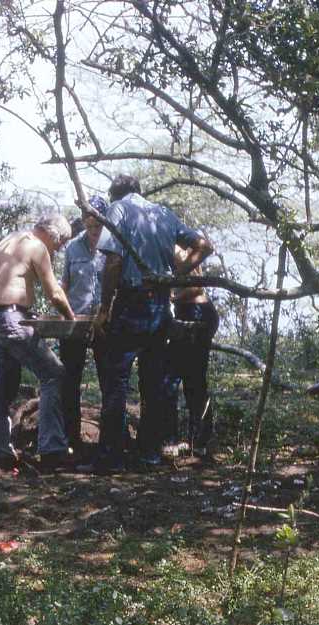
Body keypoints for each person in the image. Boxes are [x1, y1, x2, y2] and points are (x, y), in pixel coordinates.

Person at [84, 175, 213, 472]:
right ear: (138, 191)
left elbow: (113, 262)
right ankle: (148, 455)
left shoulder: (117, 210)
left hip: (131, 303)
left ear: (115, 195)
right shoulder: (162, 213)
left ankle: (111, 458)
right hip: (159, 305)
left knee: (116, 381)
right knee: (152, 383)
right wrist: (177, 274)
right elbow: (204, 246)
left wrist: (104, 308)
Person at [0, 212, 75, 471]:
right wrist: (71, 318)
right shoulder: (37, 246)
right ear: (52, 235)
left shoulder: (11, 239)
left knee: (4, 385)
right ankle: (52, 450)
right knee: (54, 374)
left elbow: (15, 284)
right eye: (60, 244)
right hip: (11, 319)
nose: (58, 249)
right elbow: (55, 292)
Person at [59, 195, 108, 457]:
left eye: (97, 227)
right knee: (69, 381)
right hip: (74, 321)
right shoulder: (72, 249)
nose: (93, 231)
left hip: (104, 323)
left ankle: (110, 442)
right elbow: (64, 284)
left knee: (109, 381)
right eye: (89, 226)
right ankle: (70, 440)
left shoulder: (114, 246)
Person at [166, 245, 219, 456]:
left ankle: (202, 439)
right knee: (187, 379)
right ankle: (194, 438)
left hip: (197, 314)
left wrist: (171, 298)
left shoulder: (176, 251)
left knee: (191, 379)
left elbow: (196, 287)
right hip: (190, 313)